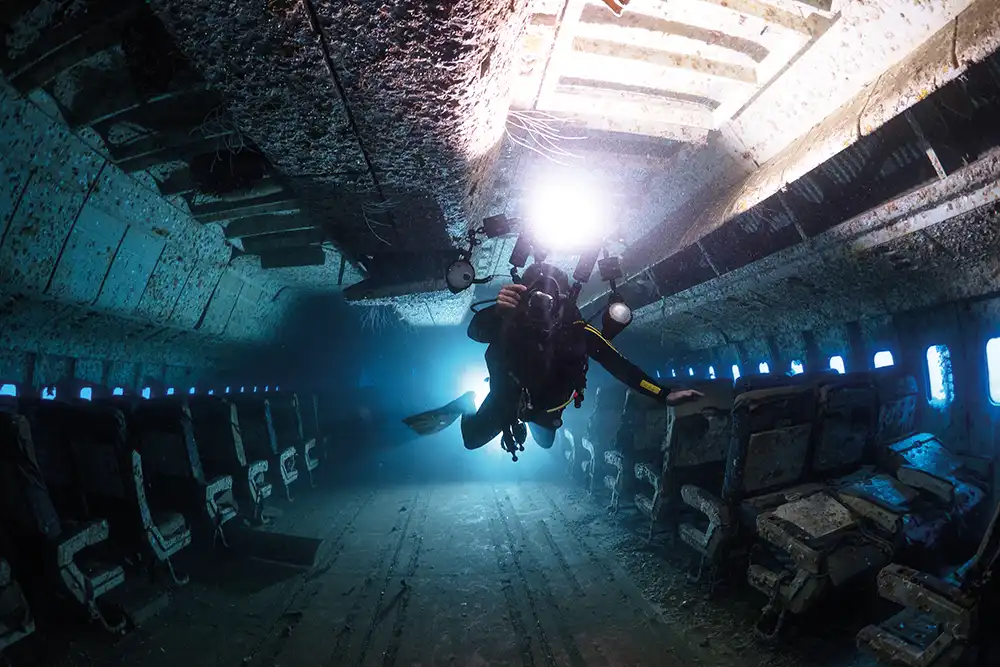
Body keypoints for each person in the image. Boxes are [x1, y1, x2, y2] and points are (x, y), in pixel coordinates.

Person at [405, 263, 703, 452]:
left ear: (562, 300)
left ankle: (529, 423)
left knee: (545, 443)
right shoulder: (508, 319)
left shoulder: (578, 332)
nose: (541, 302)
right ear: (522, 294)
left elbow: (621, 366)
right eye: (534, 294)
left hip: (548, 406)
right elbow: (475, 332)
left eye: (550, 295)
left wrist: (663, 394)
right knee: (471, 441)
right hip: (506, 400)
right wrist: (498, 311)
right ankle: (467, 403)